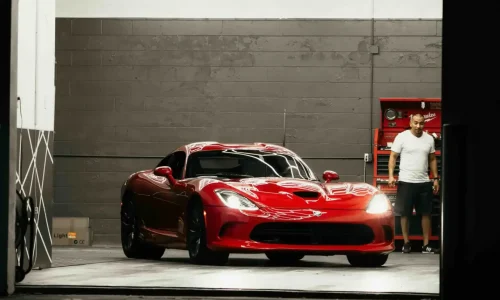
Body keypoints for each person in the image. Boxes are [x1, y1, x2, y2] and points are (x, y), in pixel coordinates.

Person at [388, 113, 440, 254]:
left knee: (426, 213)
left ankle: (426, 245)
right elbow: (393, 157)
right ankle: (406, 243)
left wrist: (435, 178)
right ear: (411, 122)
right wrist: (391, 176)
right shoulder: (402, 137)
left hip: (423, 181)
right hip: (406, 181)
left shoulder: (429, 139)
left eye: (421, 123)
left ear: (424, 124)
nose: (418, 126)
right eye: (416, 123)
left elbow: (432, 159)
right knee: (405, 213)